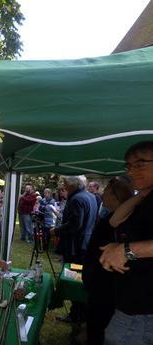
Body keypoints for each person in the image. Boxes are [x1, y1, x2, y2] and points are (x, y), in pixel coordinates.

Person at [98, 141, 153, 345]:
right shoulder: (145, 198)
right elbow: (115, 220)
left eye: (140, 164)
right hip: (133, 307)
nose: (131, 171)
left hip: (143, 313)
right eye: (129, 166)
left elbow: (132, 249)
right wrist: (141, 195)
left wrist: (126, 251)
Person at [82, 178, 134, 345]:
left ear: (115, 196)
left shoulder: (124, 223)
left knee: (98, 326)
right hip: (100, 283)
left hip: (107, 286)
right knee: (95, 324)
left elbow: (130, 255)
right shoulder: (112, 218)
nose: (102, 194)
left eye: (106, 191)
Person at [51, 175, 97, 323]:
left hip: (75, 247)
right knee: (80, 280)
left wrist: (56, 230)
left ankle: (76, 314)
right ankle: (79, 313)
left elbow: (75, 225)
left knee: (74, 280)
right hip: (84, 244)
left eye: (65, 183)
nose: (64, 186)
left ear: (72, 184)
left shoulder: (77, 199)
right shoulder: (89, 196)